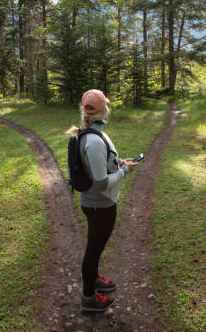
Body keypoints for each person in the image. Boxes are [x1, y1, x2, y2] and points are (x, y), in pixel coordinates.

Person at [66, 89, 139, 312]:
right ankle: (89, 298)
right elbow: (101, 182)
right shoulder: (94, 141)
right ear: (103, 109)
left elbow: (100, 167)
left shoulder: (90, 132)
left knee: (95, 248)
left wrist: (118, 164)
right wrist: (125, 171)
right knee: (93, 250)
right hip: (100, 205)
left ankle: (94, 279)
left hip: (98, 204)